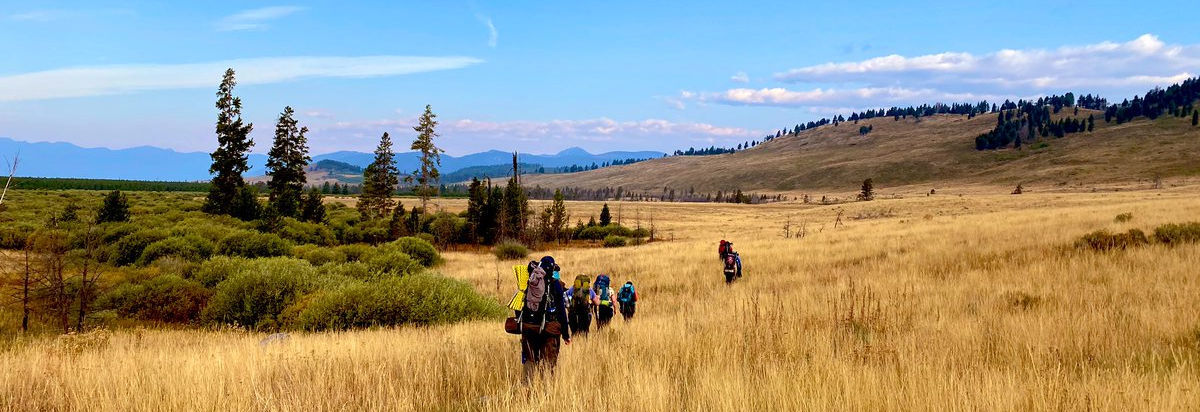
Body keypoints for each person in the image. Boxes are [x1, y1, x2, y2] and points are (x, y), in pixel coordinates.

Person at [519, 256, 571, 382]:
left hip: (529, 327)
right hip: (549, 329)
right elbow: (561, 311)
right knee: (549, 362)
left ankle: (527, 388)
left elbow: (520, 305)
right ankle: (546, 391)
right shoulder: (556, 285)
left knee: (530, 360)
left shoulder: (530, 282)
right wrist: (565, 334)